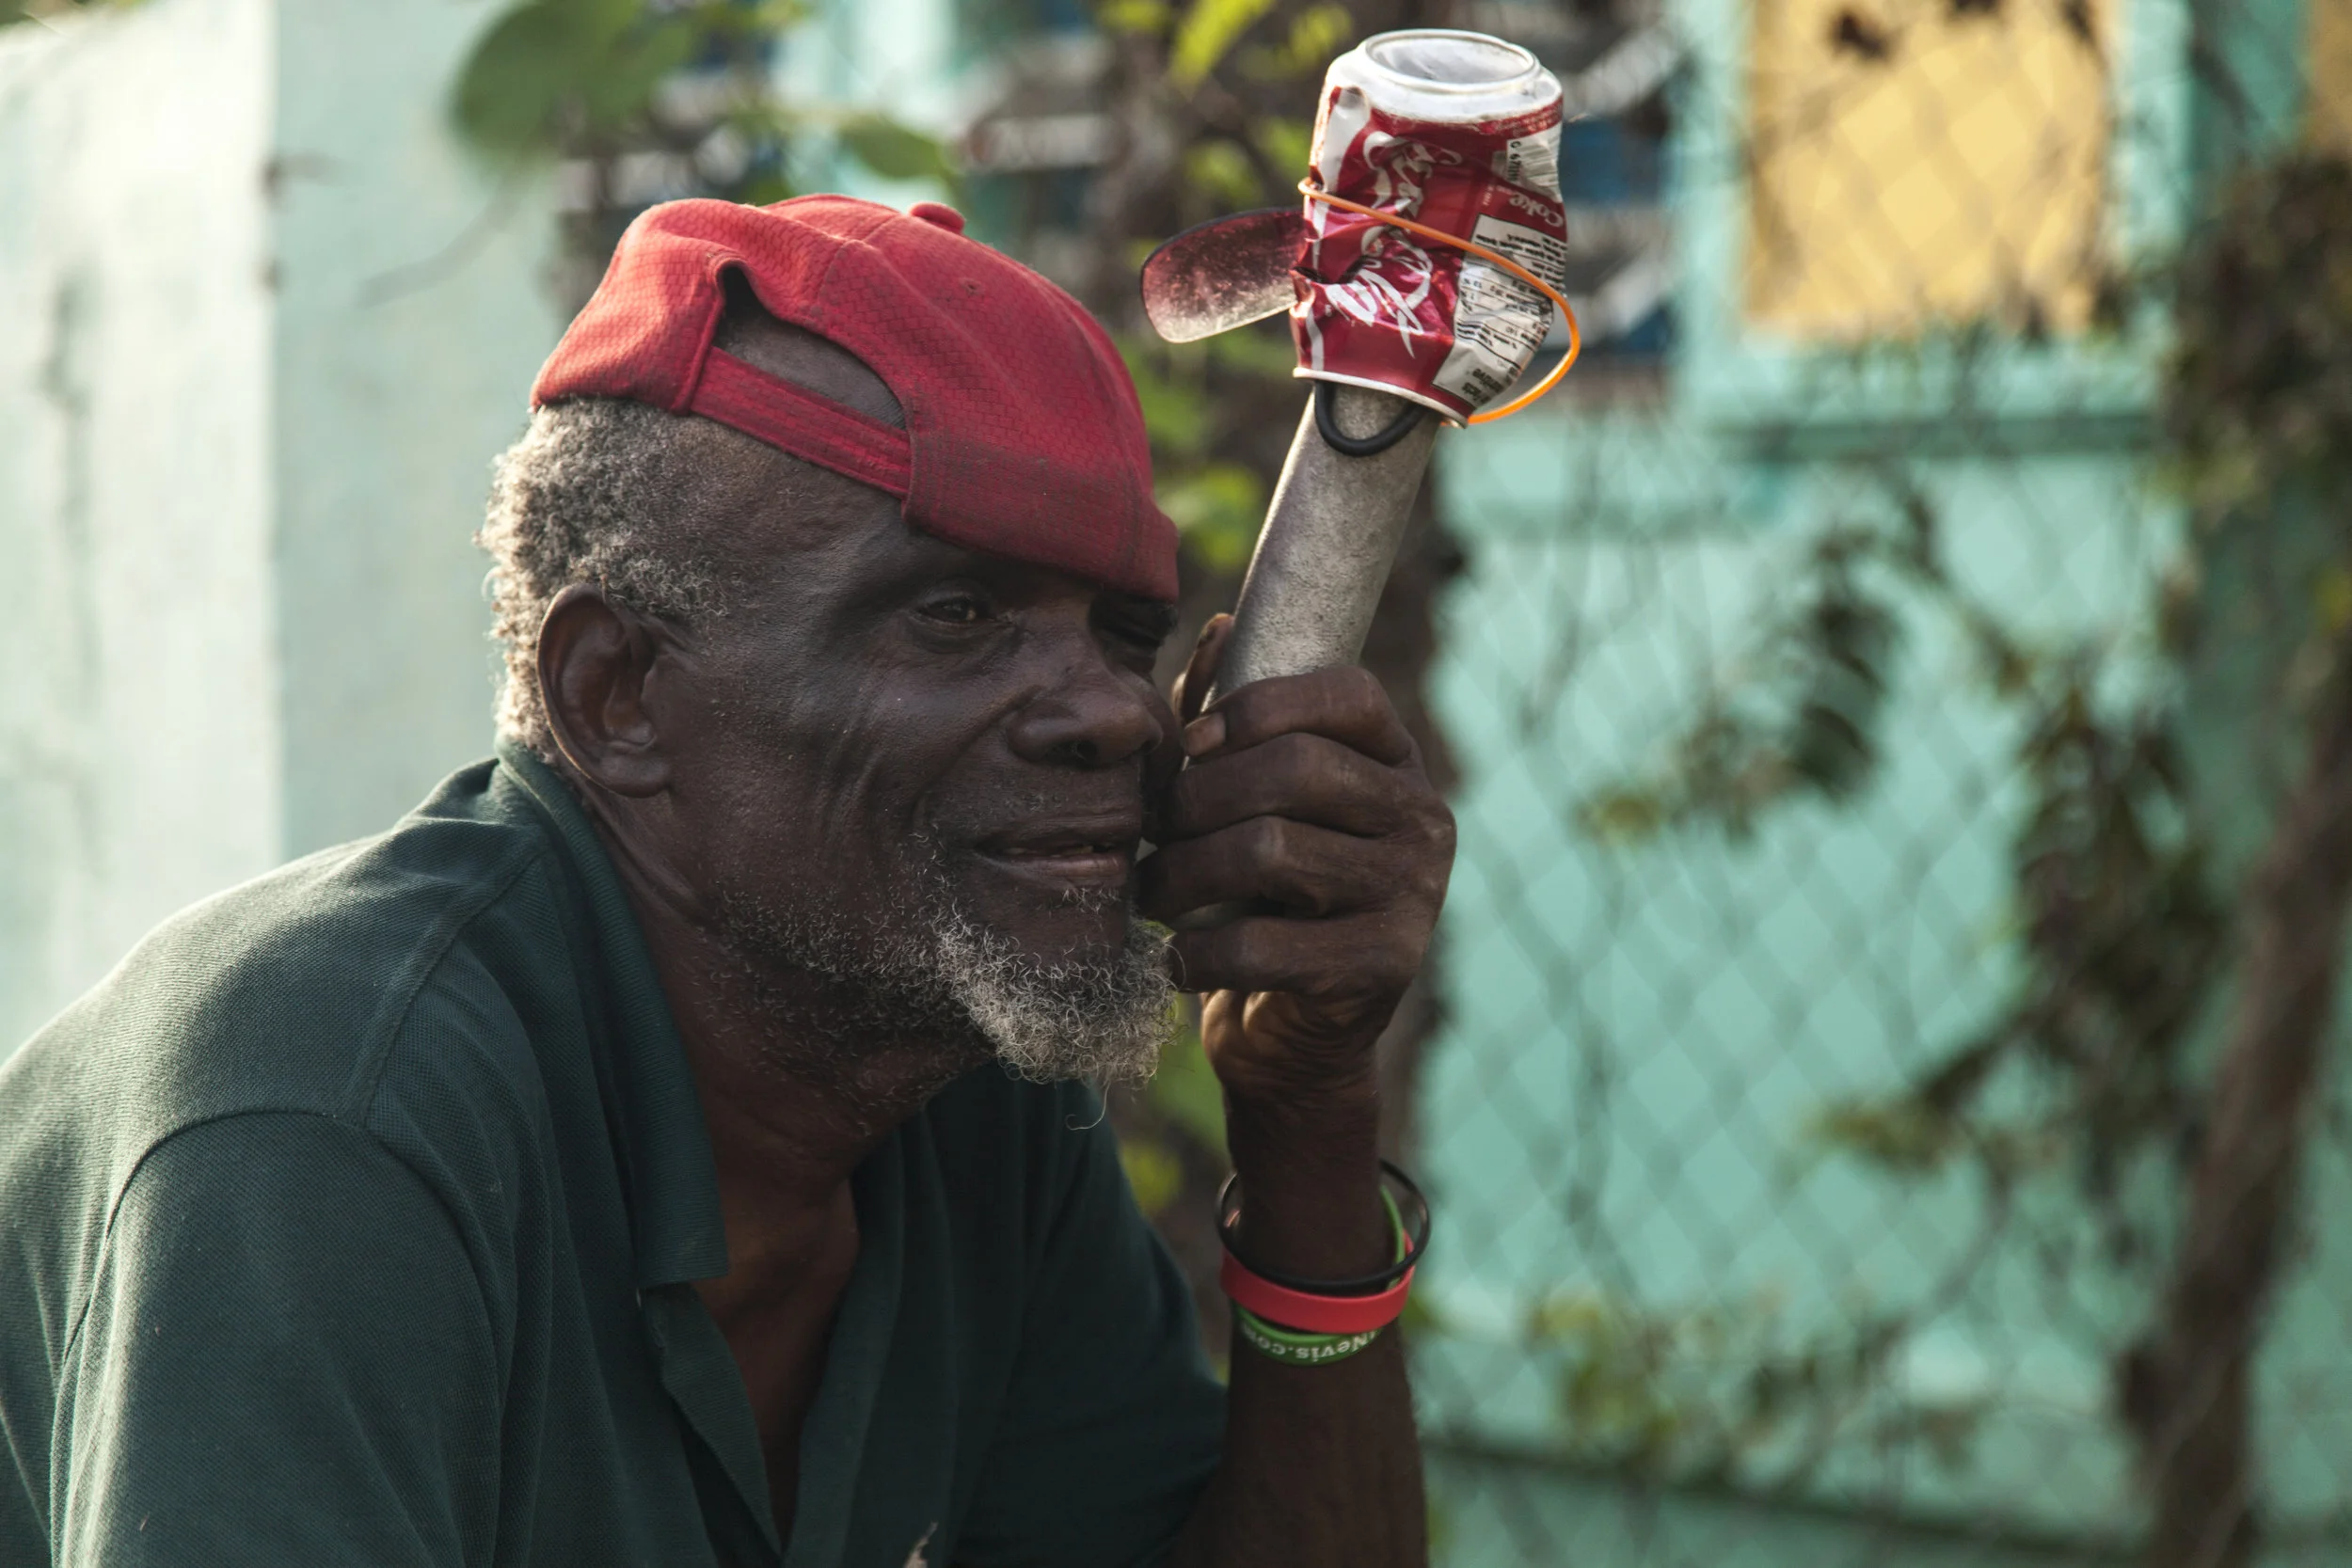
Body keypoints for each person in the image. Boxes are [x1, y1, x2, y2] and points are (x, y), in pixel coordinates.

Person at [0, 195, 1454, 1567]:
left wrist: (1309, 1126)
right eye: (956, 613)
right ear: (616, 692)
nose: (1113, 715)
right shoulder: (327, 1121)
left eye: (1121, 635)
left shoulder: (951, 1079)